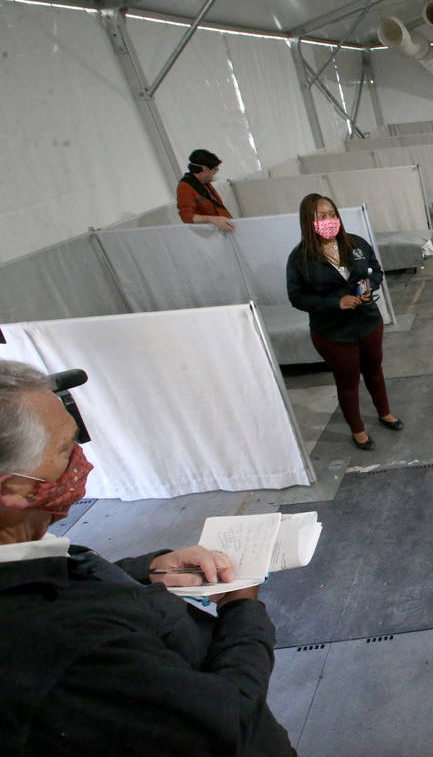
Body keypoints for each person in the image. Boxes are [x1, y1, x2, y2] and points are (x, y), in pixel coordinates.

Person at [0, 360, 296, 756]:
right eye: (65, 448)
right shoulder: (61, 644)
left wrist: (147, 572)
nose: (81, 461)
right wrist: (242, 608)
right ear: (17, 489)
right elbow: (227, 721)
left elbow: (67, 583)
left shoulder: (20, 558)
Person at [286, 193, 401, 451]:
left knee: (375, 370)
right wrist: (335, 303)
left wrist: (369, 286)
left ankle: (384, 413)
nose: (329, 220)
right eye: (321, 216)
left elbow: (376, 271)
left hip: (368, 321)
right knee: (347, 381)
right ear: (308, 221)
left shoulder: (356, 244)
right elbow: (297, 297)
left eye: (332, 214)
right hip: (333, 333)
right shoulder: (300, 259)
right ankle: (357, 429)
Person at [177, 148, 235, 232]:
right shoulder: (184, 187)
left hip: (223, 229)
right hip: (210, 234)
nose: (216, 173)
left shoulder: (205, 182)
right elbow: (186, 216)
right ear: (205, 169)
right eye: (215, 170)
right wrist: (212, 219)